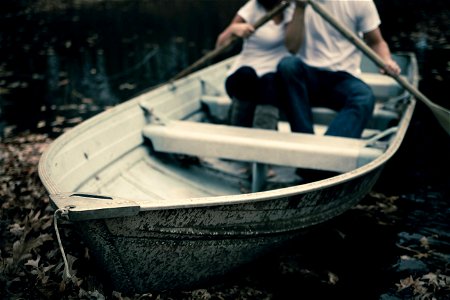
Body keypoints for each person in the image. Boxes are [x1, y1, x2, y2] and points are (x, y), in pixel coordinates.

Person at [277, 0, 401, 138]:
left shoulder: (360, 2)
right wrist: (300, 8)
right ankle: (304, 138)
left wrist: (386, 60)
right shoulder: (294, 3)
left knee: (364, 97)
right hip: (307, 80)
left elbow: (376, 41)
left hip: (342, 80)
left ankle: (329, 147)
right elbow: (291, 47)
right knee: (287, 65)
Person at [216, 0, 295, 129]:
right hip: (243, 79)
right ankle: (237, 132)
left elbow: (294, 44)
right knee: (246, 74)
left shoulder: (292, 9)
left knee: (270, 81)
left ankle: (263, 137)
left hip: (272, 81)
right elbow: (219, 46)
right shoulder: (252, 7)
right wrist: (233, 29)